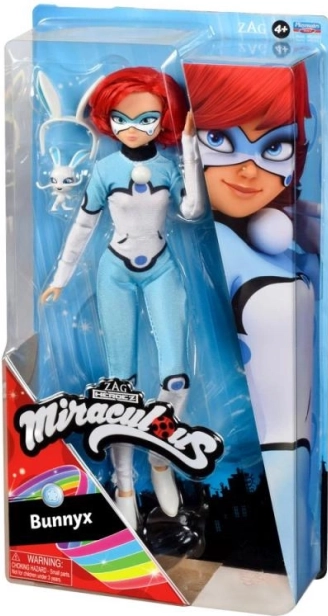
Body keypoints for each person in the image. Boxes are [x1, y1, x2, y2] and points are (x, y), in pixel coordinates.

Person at [40, 66, 205, 529]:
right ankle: (125, 481)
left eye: (146, 119)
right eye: (121, 119)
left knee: (176, 378)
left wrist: (190, 148)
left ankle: (160, 456)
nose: (132, 128)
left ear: (162, 121)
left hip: (162, 269)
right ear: (106, 121)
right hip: (114, 272)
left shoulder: (167, 167)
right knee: (120, 387)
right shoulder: (104, 170)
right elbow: (84, 224)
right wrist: (61, 276)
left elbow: (193, 209)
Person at [184, 62, 318, 599]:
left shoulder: (284, 236)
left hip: (304, 447)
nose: (247, 169)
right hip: (255, 447)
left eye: (274, 147)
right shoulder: (208, 246)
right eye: (221, 140)